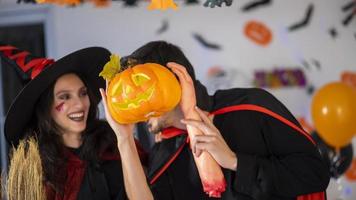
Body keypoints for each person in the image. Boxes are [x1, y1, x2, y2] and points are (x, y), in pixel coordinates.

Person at [118, 41, 330, 200]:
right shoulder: (159, 148)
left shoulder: (251, 107)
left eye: (142, 87)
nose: (135, 106)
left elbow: (315, 173)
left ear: (174, 81)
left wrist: (234, 161)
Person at [2, 46, 152, 200]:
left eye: (83, 93)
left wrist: (125, 138)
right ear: (46, 108)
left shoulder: (113, 143)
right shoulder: (40, 169)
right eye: (65, 97)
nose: (80, 104)